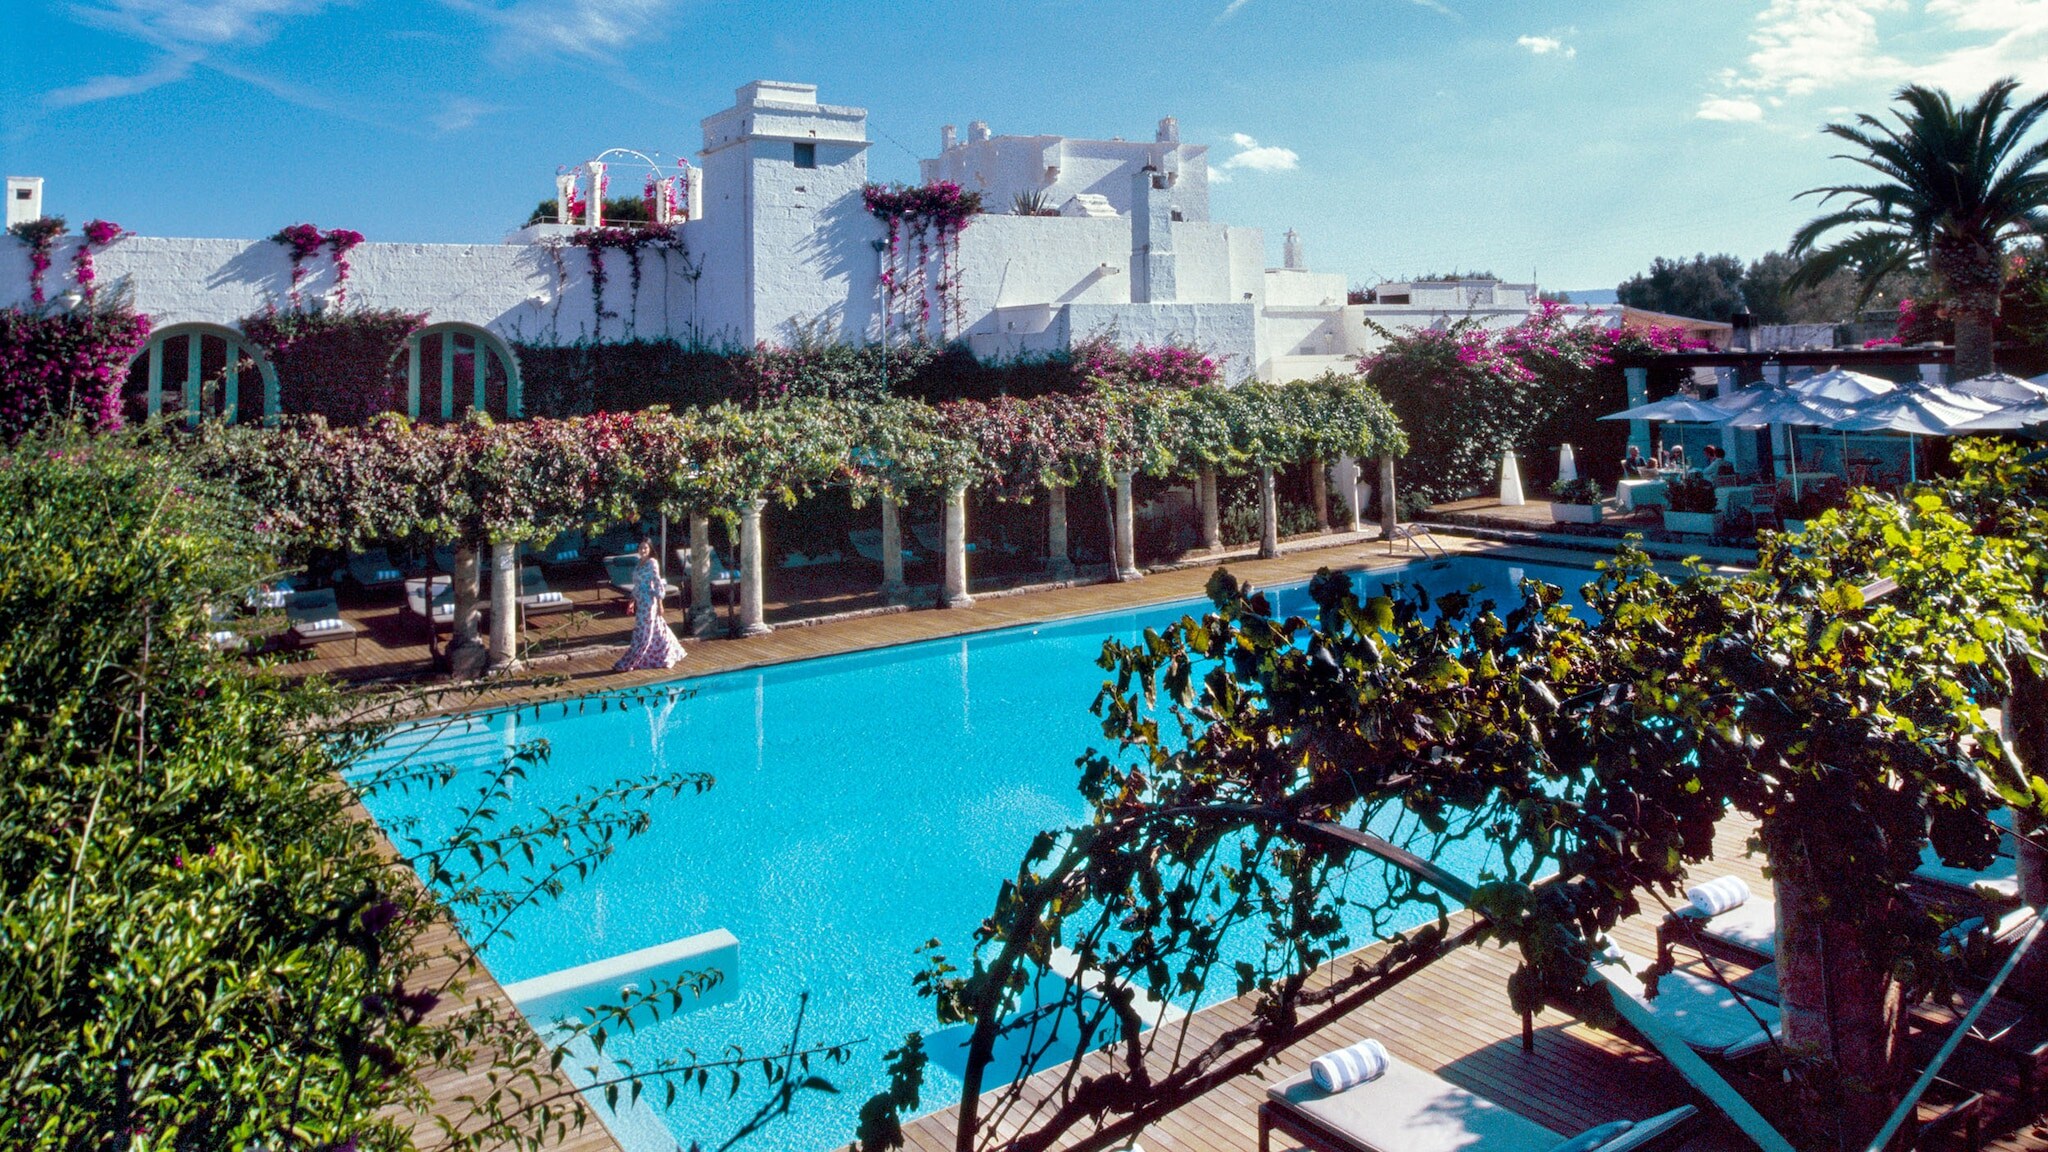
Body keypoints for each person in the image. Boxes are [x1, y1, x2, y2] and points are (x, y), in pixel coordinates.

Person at [614, 539, 687, 671]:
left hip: (649, 601)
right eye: (641, 548)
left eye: (645, 548)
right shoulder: (638, 563)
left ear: (650, 550)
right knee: (657, 628)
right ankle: (667, 652)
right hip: (640, 600)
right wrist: (632, 599)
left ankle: (634, 660)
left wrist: (660, 603)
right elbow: (637, 584)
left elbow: (657, 582)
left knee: (644, 631)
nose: (643, 550)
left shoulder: (652, 563)